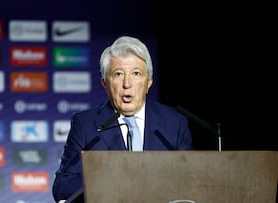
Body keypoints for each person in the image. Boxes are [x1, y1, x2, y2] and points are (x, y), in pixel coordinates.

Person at [52, 36, 193, 202]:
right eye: (118, 74)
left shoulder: (174, 123)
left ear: (149, 82)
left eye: (136, 74)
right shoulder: (85, 125)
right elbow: (63, 185)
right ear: (105, 83)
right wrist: (108, 185)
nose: (127, 83)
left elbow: (190, 181)